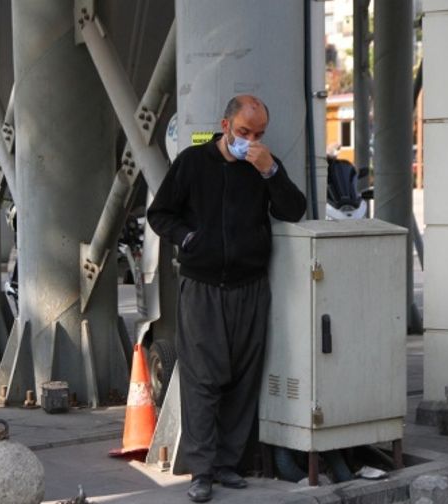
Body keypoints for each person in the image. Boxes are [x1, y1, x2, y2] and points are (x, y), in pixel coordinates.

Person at [147, 95, 306, 502]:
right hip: (202, 287)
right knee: (202, 378)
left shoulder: (263, 166)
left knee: (243, 376)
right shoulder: (193, 163)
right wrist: (187, 238)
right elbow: (160, 213)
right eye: (242, 132)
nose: (249, 141)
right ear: (225, 125)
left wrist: (270, 170)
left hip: (250, 285)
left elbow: (293, 210)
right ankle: (202, 471)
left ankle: (228, 464)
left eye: (257, 134)